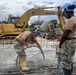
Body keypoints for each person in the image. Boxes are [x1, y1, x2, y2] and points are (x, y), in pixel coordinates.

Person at [58, 4, 76, 75]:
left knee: (66, 59)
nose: (65, 16)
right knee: (70, 58)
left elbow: (65, 35)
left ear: (68, 12)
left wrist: (60, 46)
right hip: (73, 42)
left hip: (68, 42)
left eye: (65, 14)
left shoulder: (71, 21)